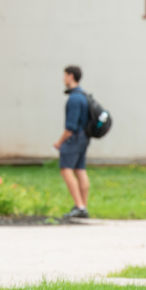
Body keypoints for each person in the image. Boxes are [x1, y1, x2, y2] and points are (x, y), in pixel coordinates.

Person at [53, 65, 90, 218]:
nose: (63, 78)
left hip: (74, 139)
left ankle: (79, 206)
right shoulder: (83, 95)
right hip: (84, 139)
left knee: (66, 169)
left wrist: (59, 142)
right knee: (80, 170)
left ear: (70, 76)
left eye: (64, 75)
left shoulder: (74, 99)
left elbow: (70, 126)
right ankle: (83, 207)